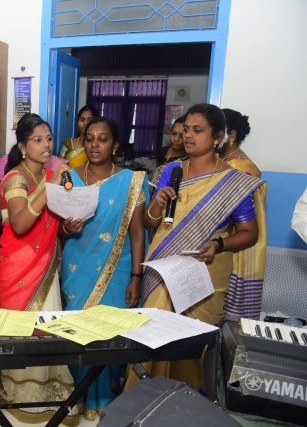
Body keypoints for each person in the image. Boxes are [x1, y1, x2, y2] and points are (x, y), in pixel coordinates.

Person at [124, 103, 264, 393]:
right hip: (162, 271)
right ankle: (143, 403)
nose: (188, 135)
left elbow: (249, 233)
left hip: (205, 273)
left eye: (197, 130)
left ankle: (187, 408)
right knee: (152, 338)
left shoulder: (233, 182)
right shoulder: (171, 170)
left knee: (190, 350)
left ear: (218, 137)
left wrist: (219, 244)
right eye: (186, 129)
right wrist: (157, 203)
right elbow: (151, 223)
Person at [0, 113, 83, 426]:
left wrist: (69, 227)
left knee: (47, 331)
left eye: (48, 138)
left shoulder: (50, 175)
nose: (46, 145)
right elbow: (20, 224)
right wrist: (50, 185)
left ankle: (51, 393)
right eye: (37, 140)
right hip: (18, 268)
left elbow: (53, 224)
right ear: (22, 146)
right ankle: (21, 395)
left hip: (46, 264)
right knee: (24, 332)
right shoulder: (15, 179)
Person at [61, 117, 148, 421]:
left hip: (119, 268)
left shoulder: (131, 180)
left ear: (115, 145)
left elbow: (137, 232)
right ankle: (80, 395)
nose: (95, 144)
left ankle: (106, 396)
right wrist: (66, 229)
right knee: (78, 331)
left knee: (110, 332)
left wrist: (136, 276)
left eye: (103, 139)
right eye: (89, 138)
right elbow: (60, 230)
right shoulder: (69, 178)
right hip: (77, 265)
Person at [219, 108, 267, 321]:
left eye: (217, 131)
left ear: (231, 135)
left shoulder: (239, 166)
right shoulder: (227, 161)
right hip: (227, 241)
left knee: (229, 320)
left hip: (236, 242)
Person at [151, 116, 187, 190]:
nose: (176, 139)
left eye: (181, 136)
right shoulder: (162, 151)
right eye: (174, 133)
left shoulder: (186, 159)